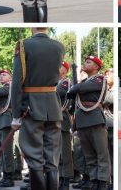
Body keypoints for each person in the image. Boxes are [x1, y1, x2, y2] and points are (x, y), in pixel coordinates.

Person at [11, 28, 65, 189]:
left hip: (31, 106)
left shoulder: (24, 45)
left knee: (34, 156)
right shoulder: (58, 46)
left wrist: (16, 114)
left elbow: (17, 81)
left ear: (31, 27)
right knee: (52, 158)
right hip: (53, 107)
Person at [67, 56, 110, 190]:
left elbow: (78, 89)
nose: (85, 64)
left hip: (94, 118)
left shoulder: (99, 79)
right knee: (89, 155)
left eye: (88, 62)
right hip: (82, 121)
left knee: (101, 153)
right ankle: (93, 179)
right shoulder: (83, 82)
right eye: (85, 61)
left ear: (96, 67)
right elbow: (71, 95)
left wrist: (75, 87)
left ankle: (102, 181)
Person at [56, 61, 73, 190]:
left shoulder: (66, 83)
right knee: (56, 153)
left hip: (62, 120)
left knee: (65, 152)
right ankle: (59, 177)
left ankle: (66, 179)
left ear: (65, 70)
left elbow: (59, 92)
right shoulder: (54, 83)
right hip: (52, 121)